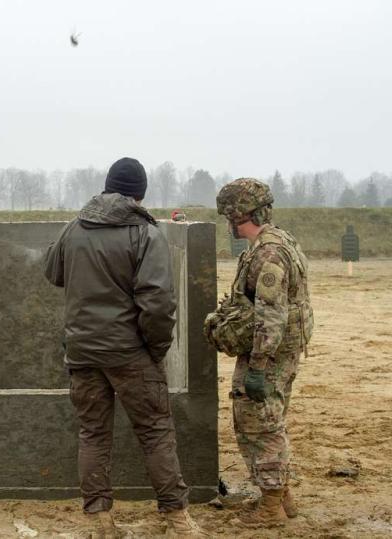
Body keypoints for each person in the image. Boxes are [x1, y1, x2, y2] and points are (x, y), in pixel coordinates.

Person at [43, 157, 206, 538]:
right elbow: (158, 303)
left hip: (82, 353)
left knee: (93, 434)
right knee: (154, 431)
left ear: (106, 187)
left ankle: (100, 523)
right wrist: (155, 348)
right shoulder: (144, 234)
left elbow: (53, 270)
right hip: (130, 353)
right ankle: (178, 521)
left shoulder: (75, 227)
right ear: (140, 194)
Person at [206, 178, 313, 527]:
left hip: (269, 352)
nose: (227, 223)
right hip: (279, 350)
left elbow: (271, 313)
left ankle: (270, 507)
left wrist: (258, 366)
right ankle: (282, 498)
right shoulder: (276, 241)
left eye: (229, 216)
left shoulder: (268, 253)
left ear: (241, 215)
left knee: (259, 424)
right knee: (271, 419)